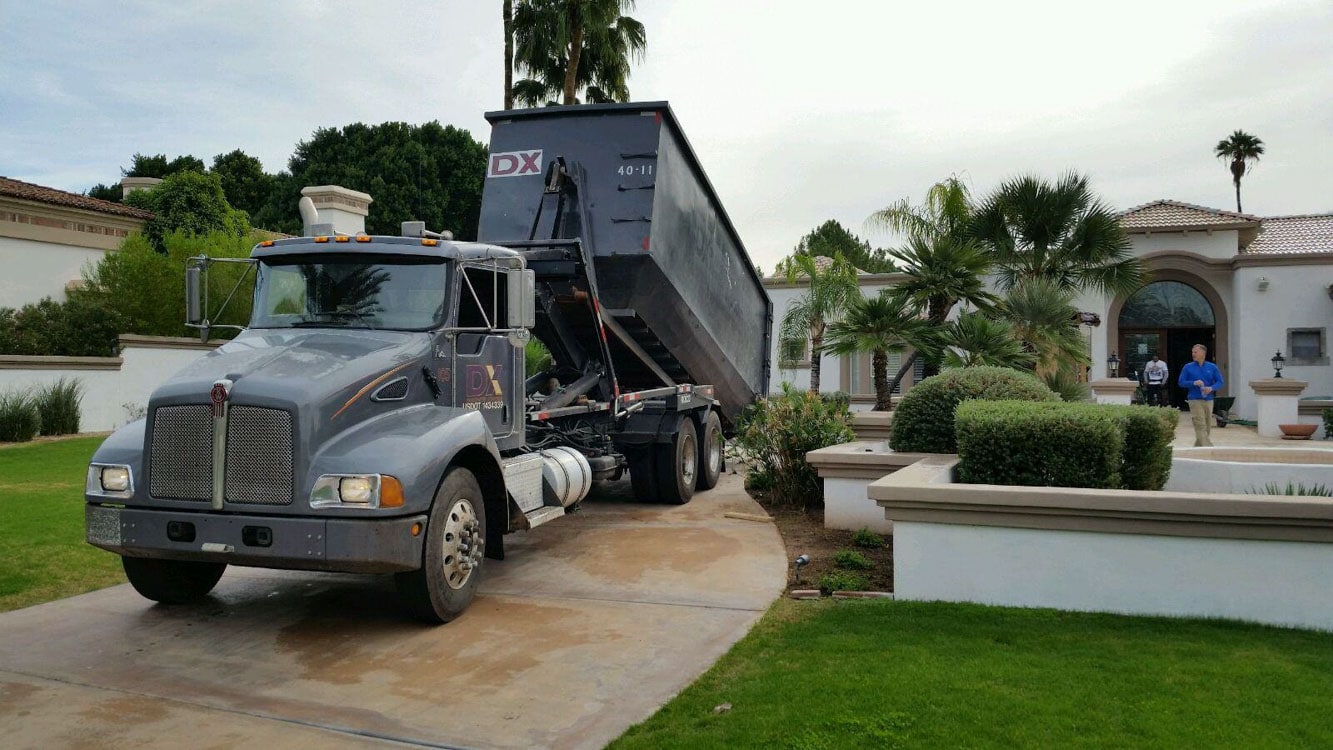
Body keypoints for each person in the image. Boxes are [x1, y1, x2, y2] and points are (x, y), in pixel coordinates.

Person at [1178, 344, 1224, 447]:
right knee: (1200, 424)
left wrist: (1211, 388)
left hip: (1209, 399)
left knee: (1207, 426)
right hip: (1194, 399)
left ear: (1203, 353)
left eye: (1195, 352)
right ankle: (1208, 447)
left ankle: (1198, 448)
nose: (1193, 354)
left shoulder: (1212, 367)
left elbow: (1220, 382)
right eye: (1192, 352)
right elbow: (1181, 382)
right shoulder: (1188, 367)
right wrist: (1193, 383)